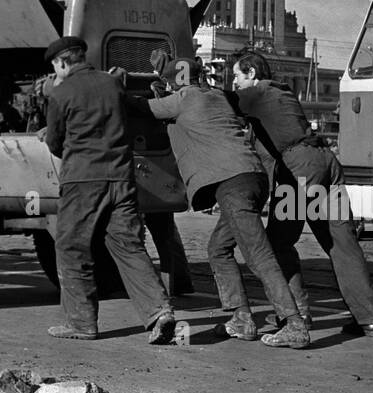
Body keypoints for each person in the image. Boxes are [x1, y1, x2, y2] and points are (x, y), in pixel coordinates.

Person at [138, 53, 308, 346]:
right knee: (218, 248)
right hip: (253, 178)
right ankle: (241, 318)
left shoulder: (182, 98)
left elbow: (140, 107)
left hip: (231, 184)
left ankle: (294, 323)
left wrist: (116, 85)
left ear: (173, 81)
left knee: (258, 254)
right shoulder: (217, 95)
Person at [232, 51, 373, 343]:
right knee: (342, 244)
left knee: (277, 244)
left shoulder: (257, 92)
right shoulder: (283, 93)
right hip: (326, 162)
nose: (235, 83)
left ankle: (296, 314)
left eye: (237, 76)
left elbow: (221, 103)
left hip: (300, 168)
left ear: (250, 73)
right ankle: (368, 319)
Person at [43, 35, 175, 344]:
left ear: (62, 62)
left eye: (55, 67)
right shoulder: (112, 84)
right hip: (121, 178)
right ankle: (159, 311)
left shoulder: (62, 93)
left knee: (72, 247)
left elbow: (54, 142)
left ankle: (81, 323)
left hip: (83, 180)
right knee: (128, 246)